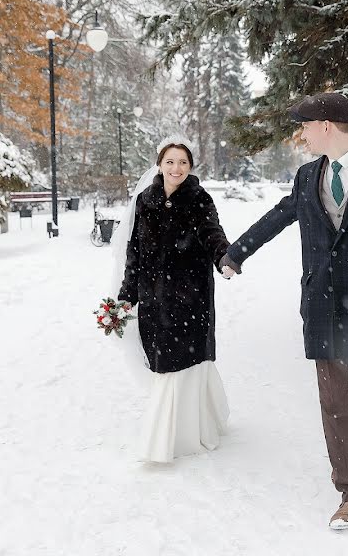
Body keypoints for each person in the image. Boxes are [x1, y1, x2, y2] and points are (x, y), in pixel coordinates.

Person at [220, 93, 348, 529]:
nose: (303, 134)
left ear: (328, 126)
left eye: (306, 126)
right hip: (322, 303)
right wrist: (236, 252)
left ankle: (342, 450)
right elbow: (278, 217)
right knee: (333, 399)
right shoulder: (305, 176)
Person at [115, 137, 233, 463]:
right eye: (170, 161)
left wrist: (224, 258)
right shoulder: (145, 201)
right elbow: (134, 251)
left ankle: (167, 439)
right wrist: (127, 296)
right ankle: (196, 419)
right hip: (153, 298)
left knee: (177, 364)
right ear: (160, 164)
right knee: (164, 363)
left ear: (190, 167)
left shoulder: (199, 199)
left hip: (189, 297)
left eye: (182, 162)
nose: (176, 168)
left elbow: (213, 234)